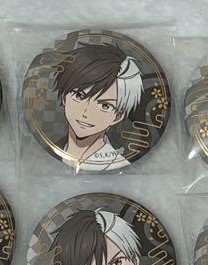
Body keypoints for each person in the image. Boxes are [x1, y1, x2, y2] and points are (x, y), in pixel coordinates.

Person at [53, 43, 142, 171]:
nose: (86, 113)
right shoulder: (51, 150)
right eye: (79, 96)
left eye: (105, 105)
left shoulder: (116, 162)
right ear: (64, 97)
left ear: (117, 116)